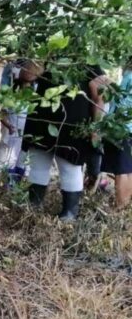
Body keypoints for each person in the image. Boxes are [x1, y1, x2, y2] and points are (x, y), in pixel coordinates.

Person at [22, 65, 108, 220]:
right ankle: (33, 207)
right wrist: (43, 58)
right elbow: (27, 76)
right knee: (38, 163)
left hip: (73, 123)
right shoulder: (48, 52)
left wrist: (96, 127)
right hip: (42, 118)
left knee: (70, 166)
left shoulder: (88, 60)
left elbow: (100, 95)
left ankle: (69, 214)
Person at [0, 59, 42, 179]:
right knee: (6, 149)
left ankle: (17, 176)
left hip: (23, 136)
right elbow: (1, 113)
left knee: (20, 155)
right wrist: (8, 126)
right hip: (12, 133)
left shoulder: (32, 100)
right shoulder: (11, 97)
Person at [101, 59, 132, 210]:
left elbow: (123, 102)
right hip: (127, 127)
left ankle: (121, 207)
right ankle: (125, 206)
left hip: (123, 127)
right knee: (128, 169)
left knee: (122, 170)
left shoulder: (130, 77)